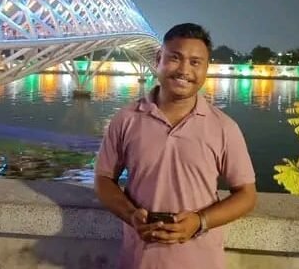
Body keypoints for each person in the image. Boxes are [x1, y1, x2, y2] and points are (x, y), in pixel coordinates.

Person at [95, 23, 256, 269]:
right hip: (139, 261)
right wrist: (130, 215)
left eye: (195, 62)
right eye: (175, 58)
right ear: (158, 59)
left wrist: (199, 221)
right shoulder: (126, 119)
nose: (184, 70)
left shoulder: (224, 127)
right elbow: (104, 179)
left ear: (206, 69)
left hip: (201, 262)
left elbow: (246, 195)